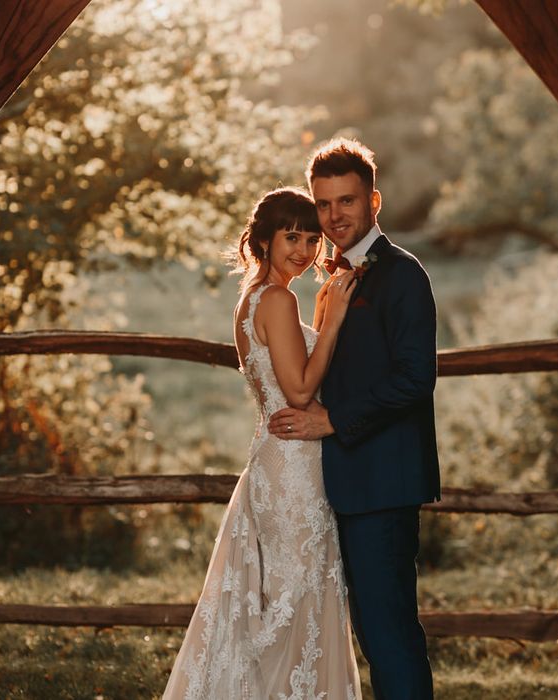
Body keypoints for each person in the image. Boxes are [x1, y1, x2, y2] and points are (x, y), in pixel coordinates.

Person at [162, 186, 362, 699]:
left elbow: (288, 373)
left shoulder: (251, 299)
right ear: (265, 241)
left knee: (281, 597)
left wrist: (318, 323)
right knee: (296, 595)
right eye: (291, 236)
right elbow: (298, 389)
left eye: (312, 238)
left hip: (273, 459)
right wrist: (334, 321)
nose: (304, 249)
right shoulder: (278, 298)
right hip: (294, 465)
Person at [268, 139, 441, 700]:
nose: (334, 215)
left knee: (389, 634)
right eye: (323, 204)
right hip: (341, 484)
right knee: (369, 631)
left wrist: (333, 420)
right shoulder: (330, 277)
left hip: (384, 483)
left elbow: (416, 379)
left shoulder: (403, 275)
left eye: (346, 201)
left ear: (374, 201)